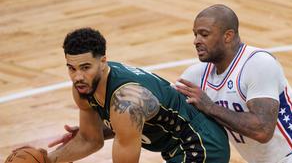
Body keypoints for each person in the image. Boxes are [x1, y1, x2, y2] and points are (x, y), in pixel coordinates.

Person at [45, 27, 230, 163]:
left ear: (103, 62)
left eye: (86, 68)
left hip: (203, 145)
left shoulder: (125, 102)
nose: (78, 77)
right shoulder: (83, 88)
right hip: (177, 146)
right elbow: (89, 140)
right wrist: (45, 160)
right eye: (71, 68)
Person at [175, 4, 292, 163]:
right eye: (195, 34)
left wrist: (210, 107)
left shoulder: (258, 64)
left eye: (204, 34)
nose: (196, 41)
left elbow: (262, 130)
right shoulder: (196, 75)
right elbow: (168, 105)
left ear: (228, 36)